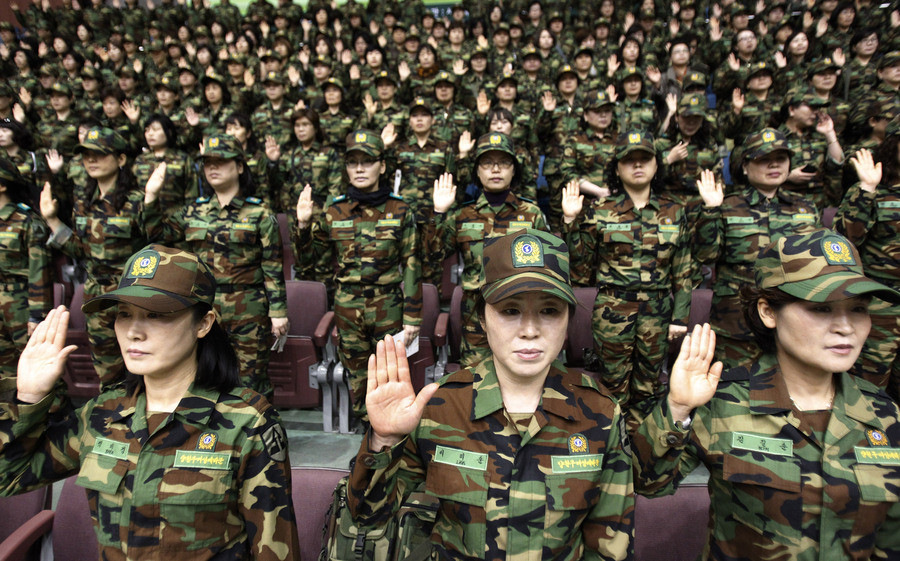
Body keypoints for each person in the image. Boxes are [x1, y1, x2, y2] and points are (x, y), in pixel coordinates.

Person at [347, 229, 634, 560]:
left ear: (569, 320)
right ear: (482, 318)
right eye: (510, 311)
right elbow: (367, 516)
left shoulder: (599, 413)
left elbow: (610, 543)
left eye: (550, 310)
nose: (529, 330)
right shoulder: (438, 406)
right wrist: (383, 441)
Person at [0, 245, 300, 560]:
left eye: (156, 315)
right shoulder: (104, 413)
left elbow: (275, 549)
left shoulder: (247, 420)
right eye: (124, 314)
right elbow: (9, 477)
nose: (133, 332)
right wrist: (29, 397)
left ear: (203, 323)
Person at [633, 228, 900, 559]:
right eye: (821, 308)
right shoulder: (724, 403)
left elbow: (890, 538)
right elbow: (645, 481)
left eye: (858, 309)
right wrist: (677, 409)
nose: (845, 327)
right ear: (768, 311)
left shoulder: (885, 414)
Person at [562, 131, 693, 424]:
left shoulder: (674, 211)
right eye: (629, 160)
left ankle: (642, 450)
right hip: (613, 310)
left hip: (657, 312)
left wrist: (680, 317)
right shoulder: (599, 210)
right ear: (617, 168)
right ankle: (613, 447)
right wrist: (571, 221)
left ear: (656, 165)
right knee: (613, 386)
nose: (637, 165)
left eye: (644, 159)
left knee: (649, 386)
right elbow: (580, 269)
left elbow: (683, 269)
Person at [143, 134, 287, 399]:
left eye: (220, 161)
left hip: (248, 306)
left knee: (252, 378)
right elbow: (156, 237)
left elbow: (272, 265)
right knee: (203, 374)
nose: (213, 167)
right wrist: (151, 196)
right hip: (204, 306)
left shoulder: (259, 214)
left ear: (240, 167)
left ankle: (259, 433)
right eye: (208, 162)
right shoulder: (192, 212)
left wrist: (278, 311)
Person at [295, 129, 421, 421]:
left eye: (367, 161)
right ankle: (368, 438)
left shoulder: (400, 209)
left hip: (388, 305)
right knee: (358, 380)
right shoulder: (334, 211)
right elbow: (309, 265)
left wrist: (413, 315)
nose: (360, 168)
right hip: (348, 307)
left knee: (391, 376)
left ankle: (391, 440)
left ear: (383, 166)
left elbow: (413, 262)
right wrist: (302, 227)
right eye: (353, 162)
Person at [695, 128, 821, 369]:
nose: (774, 164)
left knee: (787, 391)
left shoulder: (805, 207)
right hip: (736, 321)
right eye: (763, 159)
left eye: (781, 158)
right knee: (733, 389)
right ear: (745, 167)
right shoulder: (727, 206)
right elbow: (705, 255)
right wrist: (710, 210)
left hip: (792, 318)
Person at [424, 132, 548, 368]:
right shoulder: (463, 215)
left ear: (514, 170)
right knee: (475, 383)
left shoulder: (532, 214)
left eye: (503, 163)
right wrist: (439, 213)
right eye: (487, 163)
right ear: (477, 172)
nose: (495, 169)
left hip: (521, 314)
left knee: (522, 380)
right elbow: (432, 255)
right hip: (475, 317)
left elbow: (546, 270)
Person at [41, 126, 147, 385]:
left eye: (99, 154)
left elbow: (156, 246)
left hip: (131, 296)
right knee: (106, 368)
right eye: (86, 154)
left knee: (142, 366)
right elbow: (81, 249)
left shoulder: (137, 201)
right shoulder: (83, 202)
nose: (91, 160)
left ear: (121, 159)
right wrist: (53, 221)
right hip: (97, 296)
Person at [0, 158, 51, 381]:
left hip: (20, 301)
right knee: (5, 368)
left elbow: (39, 271)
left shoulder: (27, 220)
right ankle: (12, 414)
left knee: (34, 363)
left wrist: (37, 315)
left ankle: (56, 413)